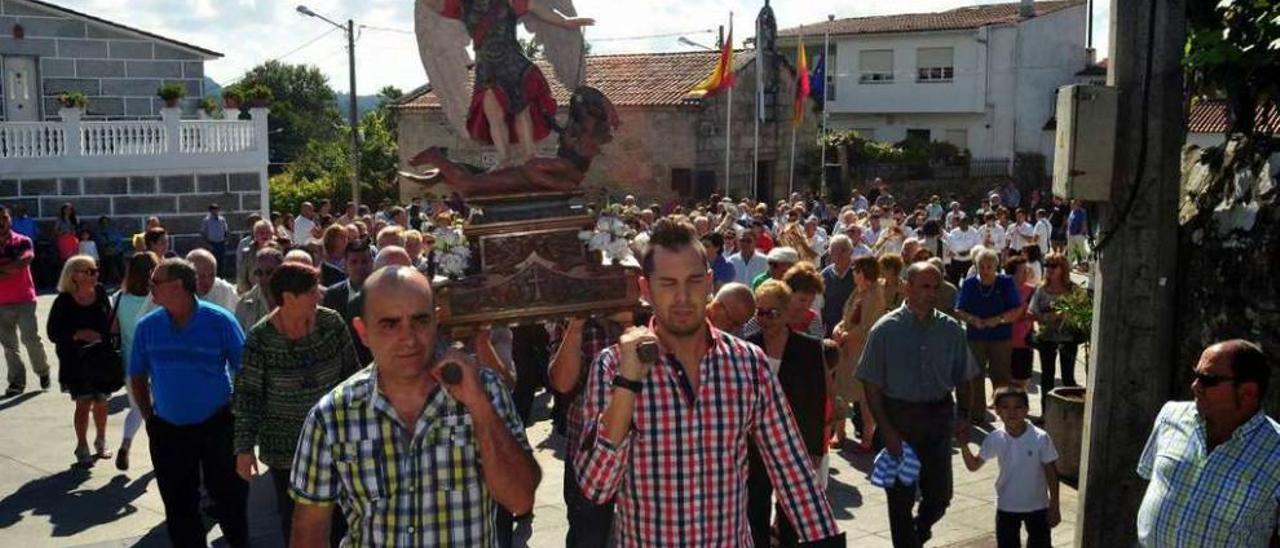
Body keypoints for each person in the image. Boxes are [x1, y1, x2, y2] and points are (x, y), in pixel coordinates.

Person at [574, 217, 843, 546]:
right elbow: (595, 487)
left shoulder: (748, 364)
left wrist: (827, 540)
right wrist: (628, 384)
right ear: (646, 289)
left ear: (710, 283)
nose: (683, 297)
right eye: (668, 283)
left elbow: (792, 468)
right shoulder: (613, 366)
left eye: (694, 281)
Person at [289, 266, 539, 546]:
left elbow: (520, 499)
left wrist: (478, 405)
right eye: (390, 324)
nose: (408, 338)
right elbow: (309, 529)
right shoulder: (331, 416)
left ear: (437, 320)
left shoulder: (484, 390)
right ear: (363, 332)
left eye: (420, 320)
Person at [233, 262, 360, 545]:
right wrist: (243, 448)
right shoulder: (260, 338)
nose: (320, 296)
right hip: (285, 450)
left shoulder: (331, 324)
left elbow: (353, 377)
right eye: (313, 292)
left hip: (337, 443)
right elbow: (247, 395)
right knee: (297, 521)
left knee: (342, 520)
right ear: (288, 298)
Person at [857, 262, 981, 547]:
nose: (931, 293)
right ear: (907, 286)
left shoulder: (951, 330)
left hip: (937, 421)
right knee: (899, 499)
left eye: (936, 286)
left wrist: (963, 415)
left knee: (940, 496)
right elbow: (871, 384)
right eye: (925, 286)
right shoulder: (885, 330)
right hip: (898, 421)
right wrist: (885, 429)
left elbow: (965, 377)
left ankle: (920, 530)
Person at [130, 258, 248, 548]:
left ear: (178, 286)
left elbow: (245, 370)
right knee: (178, 504)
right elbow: (137, 374)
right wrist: (150, 418)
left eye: (155, 283)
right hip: (168, 429)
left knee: (229, 499)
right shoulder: (148, 327)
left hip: (217, 424)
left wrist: (237, 413)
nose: (150, 289)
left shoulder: (219, 320)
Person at [1136, 340, 1280, 547]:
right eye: (1196, 375)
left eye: (1208, 380)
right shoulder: (1170, 416)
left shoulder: (1275, 451)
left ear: (1247, 392)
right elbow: (1152, 484)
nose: (1195, 386)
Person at [747, 280, 831, 547]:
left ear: (785, 313)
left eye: (771, 313)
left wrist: (815, 448)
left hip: (793, 444)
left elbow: (816, 400)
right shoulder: (747, 348)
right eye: (759, 312)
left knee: (790, 517)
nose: (764, 319)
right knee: (755, 511)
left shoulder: (807, 348)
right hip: (754, 445)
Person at [547, 313, 630, 548]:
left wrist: (627, 323)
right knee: (587, 536)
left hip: (641, 458)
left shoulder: (647, 313)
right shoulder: (576, 318)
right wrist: (575, 327)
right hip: (588, 457)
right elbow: (563, 382)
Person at [958, 386, 1061, 548]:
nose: (1012, 412)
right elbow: (974, 465)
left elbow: (1051, 472)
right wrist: (964, 446)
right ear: (997, 411)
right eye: (1005, 407)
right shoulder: (995, 438)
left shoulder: (1040, 438)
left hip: (1038, 506)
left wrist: (1054, 505)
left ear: (1027, 409)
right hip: (1007, 506)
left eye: (1018, 407)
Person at [47, 255, 115, 465]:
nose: (96, 274)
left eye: (96, 270)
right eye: (90, 271)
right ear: (74, 276)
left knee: (102, 400)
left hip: (101, 356)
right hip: (75, 360)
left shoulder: (101, 292)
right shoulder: (63, 301)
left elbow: (111, 321)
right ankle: (82, 446)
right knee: (84, 402)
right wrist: (78, 334)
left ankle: (101, 441)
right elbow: (53, 333)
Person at [954, 248, 1022, 423]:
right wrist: (972, 319)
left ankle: (1004, 412)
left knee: (1001, 375)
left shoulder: (1006, 282)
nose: (985, 271)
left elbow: (1017, 309)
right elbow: (959, 309)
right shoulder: (969, 284)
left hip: (1001, 337)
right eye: (982, 267)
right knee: (975, 375)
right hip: (976, 336)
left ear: (995, 267)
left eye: (989, 267)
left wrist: (999, 319)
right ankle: (977, 414)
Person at [831, 255, 887, 451]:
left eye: (856, 270)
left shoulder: (874, 294)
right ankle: (840, 433)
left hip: (862, 352)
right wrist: (838, 328)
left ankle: (868, 438)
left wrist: (845, 335)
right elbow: (846, 316)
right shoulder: (858, 291)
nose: (853, 273)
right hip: (846, 353)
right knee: (840, 394)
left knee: (865, 399)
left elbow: (868, 326)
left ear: (864, 273)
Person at [111, 252, 159, 470]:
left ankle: (126, 442)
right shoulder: (158, 299)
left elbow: (113, 331)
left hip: (131, 364)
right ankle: (159, 453)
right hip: (158, 364)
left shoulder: (118, 298)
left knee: (137, 408)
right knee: (159, 412)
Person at [0, 206, 50, 396]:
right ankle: (16, 382)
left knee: (30, 339)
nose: (1, 222)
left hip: (24, 299)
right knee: (9, 346)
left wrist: (5, 269)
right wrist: (10, 268)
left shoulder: (23, 241)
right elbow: (15, 267)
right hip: (1, 301)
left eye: (4, 218)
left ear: (10, 219)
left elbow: (25, 261)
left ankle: (42, 370)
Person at [1029, 253, 1082, 408]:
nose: (1049, 269)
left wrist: (1067, 314)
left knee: (1068, 378)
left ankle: (1071, 410)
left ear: (1063, 268)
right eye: (1046, 265)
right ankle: (1046, 412)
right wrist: (1047, 317)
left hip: (1068, 339)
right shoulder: (1041, 289)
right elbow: (1031, 312)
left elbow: (1082, 311)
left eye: (1053, 266)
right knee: (1047, 378)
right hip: (1046, 339)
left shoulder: (1073, 289)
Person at [322, 239, 376, 367]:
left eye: (364, 261)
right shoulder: (332, 295)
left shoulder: (382, 293)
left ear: (372, 262)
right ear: (345, 264)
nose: (359, 267)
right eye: (354, 262)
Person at [235, 247, 284, 332]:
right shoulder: (245, 304)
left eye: (269, 272)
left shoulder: (294, 300)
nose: (264, 278)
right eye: (259, 273)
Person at [1006, 257, 1036, 392]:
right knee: (1004, 378)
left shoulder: (1032, 290)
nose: (1026, 273)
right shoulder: (1002, 290)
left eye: (1027, 270)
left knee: (1021, 380)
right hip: (1003, 341)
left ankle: (1020, 404)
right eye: (1023, 271)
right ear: (1012, 273)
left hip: (1023, 341)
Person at [820, 235, 856, 337]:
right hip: (829, 329)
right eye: (835, 251)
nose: (839, 255)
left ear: (851, 252)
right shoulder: (825, 275)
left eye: (843, 250)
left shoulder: (858, 273)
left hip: (852, 330)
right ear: (830, 254)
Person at [187, 249, 239, 313]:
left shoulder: (225, 291)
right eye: (201, 276)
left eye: (212, 275)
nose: (207, 281)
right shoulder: (178, 292)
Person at [237, 220, 276, 294]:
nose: (265, 235)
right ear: (255, 235)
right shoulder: (247, 253)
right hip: (254, 294)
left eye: (267, 232)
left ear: (272, 234)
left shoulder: (279, 251)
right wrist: (248, 295)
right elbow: (242, 278)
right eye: (261, 233)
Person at [201, 204, 230, 276]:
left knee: (222, 261)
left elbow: (226, 230)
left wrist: (226, 240)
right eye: (214, 210)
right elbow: (203, 232)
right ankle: (213, 276)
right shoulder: (206, 220)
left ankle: (221, 276)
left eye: (217, 210)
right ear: (210, 211)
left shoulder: (222, 219)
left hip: (221, 243)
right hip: (212, 243)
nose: (216, 212)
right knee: (213, 261)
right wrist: (207, 244)